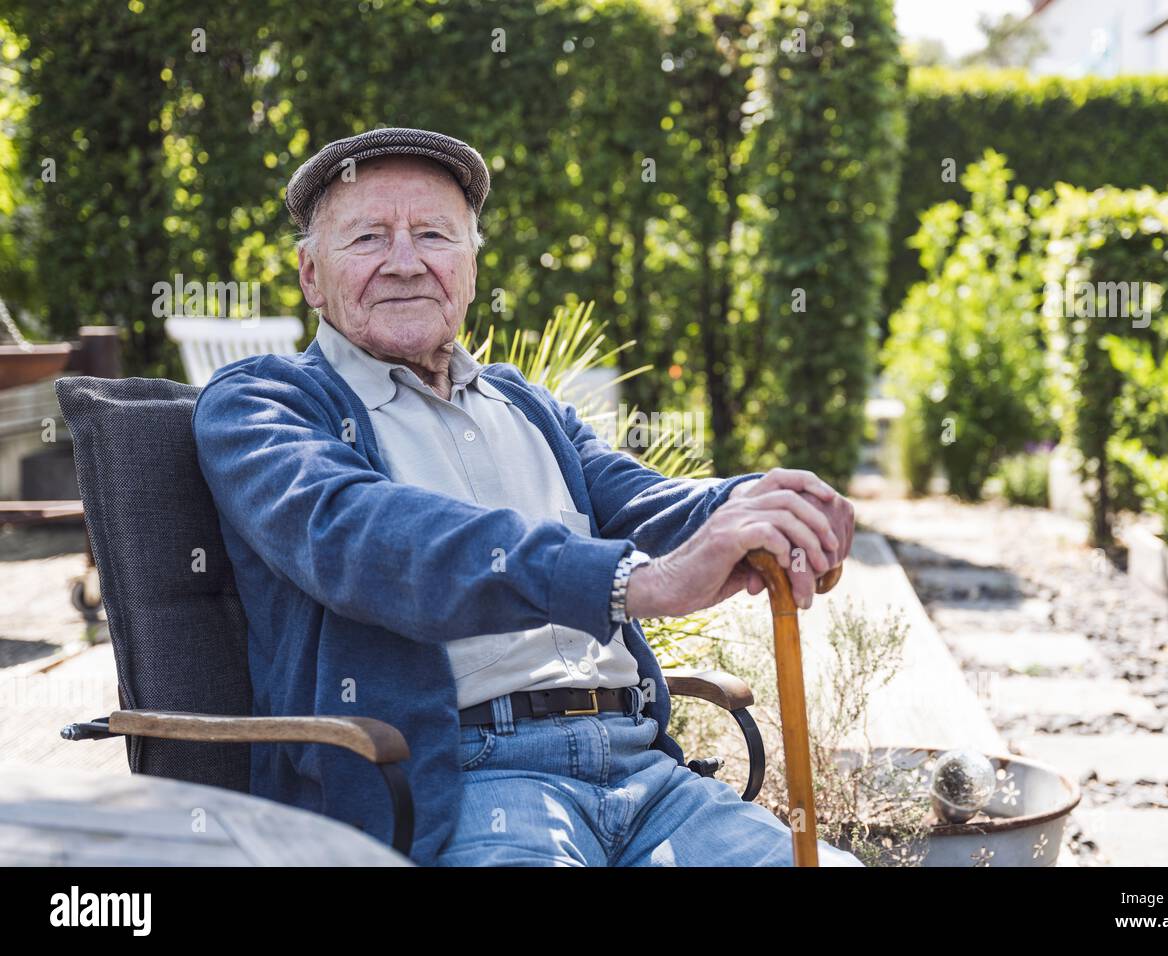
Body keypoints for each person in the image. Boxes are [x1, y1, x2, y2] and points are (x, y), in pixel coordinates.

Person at [192, 126, 863, 866]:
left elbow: (652, 505)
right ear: (311, 275)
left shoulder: (527, 406)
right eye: (368, 238)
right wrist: (633, 580)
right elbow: (364, 539)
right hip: (460, 785)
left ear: (471, 268)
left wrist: (762, 502)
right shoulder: (265, 404)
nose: (405, 262)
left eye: (434, 235)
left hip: (646, 775)